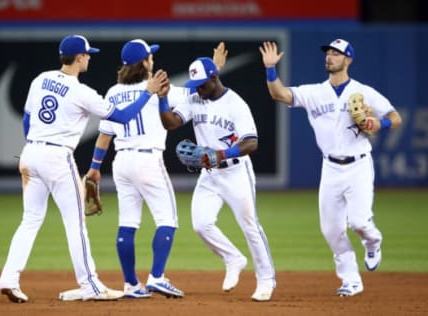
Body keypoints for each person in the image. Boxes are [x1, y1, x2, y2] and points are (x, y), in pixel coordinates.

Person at [0, 34, 168, 303]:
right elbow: (122, 117)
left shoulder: (40, 79)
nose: (89, 57)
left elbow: (28, 121)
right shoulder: (81, 92)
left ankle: (9, 278)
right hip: (57, 157)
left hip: (30, 153)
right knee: (76, 224)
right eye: (88, 54)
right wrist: (148, 92)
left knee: (30, 220)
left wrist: (35, 145)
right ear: (78, 58)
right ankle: (89, 285)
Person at [258, 39, 402, 296]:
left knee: (359, 222)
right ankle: (351, 280)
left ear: (348, 60)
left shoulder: (362, 92)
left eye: (337, 53)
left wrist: (379, 125)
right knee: (331, 229)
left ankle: (373, 241)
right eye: (328, 53)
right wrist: (270, 69)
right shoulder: (314, 92)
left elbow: (395, 117)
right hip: (331, 168)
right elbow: (279, 94)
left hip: (358, 165)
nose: (330, 57)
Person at [85, 39, 228, 299]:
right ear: (144, 62)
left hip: (122, 162)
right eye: (149, 56)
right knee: (168, 220)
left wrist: (94, 168)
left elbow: (104, 136)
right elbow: (198, 92)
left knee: (127, 223)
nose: (153, 59)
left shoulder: (113, 92)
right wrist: (215, 68)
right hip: (148, 160)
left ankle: (131, 285)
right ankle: (157, 277)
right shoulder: (159, 87)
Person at [157, 56, 277, 301]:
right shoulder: (194, 98)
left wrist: (221, 154)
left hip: (235, 172)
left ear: (214, 78)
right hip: (209, 175)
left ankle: (266, 280)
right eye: (196, 84)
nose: (198, 89)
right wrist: (162, 99)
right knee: (201, 224)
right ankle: (233, 258)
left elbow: (252, 142)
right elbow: (171, 123)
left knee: (250, 226)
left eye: (202, 83)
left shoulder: (236, 104)